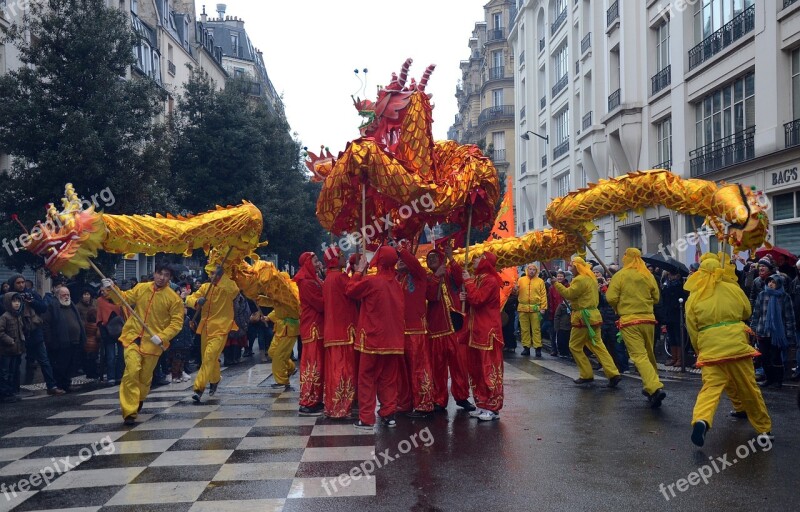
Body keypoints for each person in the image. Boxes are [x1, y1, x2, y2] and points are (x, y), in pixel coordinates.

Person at [684, 254, 772, 446]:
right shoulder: (733, 288)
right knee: (749, 388)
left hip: (710, 349)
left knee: (710, 389)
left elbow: (691, 327)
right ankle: (763, 428)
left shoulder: (694, 296)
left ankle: (702, 419)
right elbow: (746, 311)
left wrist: (697, 348)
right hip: (736, 346)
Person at [101, 262, 184, 424]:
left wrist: (162, 336)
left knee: (145, 378)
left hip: (153, 343)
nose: (162, 277)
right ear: (154, 273)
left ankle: (138, 398)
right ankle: (129, 410)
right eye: (160, 273)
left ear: (170, 278)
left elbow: (176, 323)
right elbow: (124, 299)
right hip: (133, 336)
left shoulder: (174, 299)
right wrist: (112, 289)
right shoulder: (141, 287)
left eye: (166, 275)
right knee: (132, 371)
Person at [346, 248, 405, 430]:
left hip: (372, 339)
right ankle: (389, 414)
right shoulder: (396, 284)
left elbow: (350, 290)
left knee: (366, 378)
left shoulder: (372, 281)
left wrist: (358, 271)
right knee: (388, 379)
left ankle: (366, 418)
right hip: (393, 342)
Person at [606, 248, 666, 407]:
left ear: (628, 258)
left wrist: (618, 307)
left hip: (630, 321)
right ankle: (651, 384)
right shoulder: (648, 274)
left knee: (639, 356)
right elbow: (656, 297)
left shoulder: (620, 275)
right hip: (648, 320)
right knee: (648, 354)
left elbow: (611, 297)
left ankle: (654, 388)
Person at [554, 257, 621, 387]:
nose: (570, 268)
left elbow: (569, 294)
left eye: (572, 266)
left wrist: (556, 284)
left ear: (577, 267)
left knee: (575, 346)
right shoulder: (591, 277)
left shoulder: (580, 279)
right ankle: (613, 373)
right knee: (598, 345)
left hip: (583, 318)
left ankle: (586, 374)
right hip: (594, 316)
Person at [426, 246, 473, 411]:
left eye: (434, 257)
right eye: (428, 258)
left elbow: (461, 279)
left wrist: (451, 259)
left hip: (455, 326)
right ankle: (439, 399)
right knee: (437, 367)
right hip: (437, 329)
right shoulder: (428, 278)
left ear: (441, 260)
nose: (430, 260)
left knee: (459, 365)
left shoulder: (450, 274)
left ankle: (462, 397)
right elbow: (431, 296)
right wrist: (436, 276)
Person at [185, 264, 240, 403]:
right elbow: (189, 299)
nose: (211, 276)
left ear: (221, 274)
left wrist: (223, 277)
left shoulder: (228, 287)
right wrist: (197, 301)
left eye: (214, 273)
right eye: (210, 273)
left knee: (210, 355)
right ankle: (215, 379)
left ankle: (198, 388)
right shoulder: (205, 288)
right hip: (205, 328)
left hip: (221, 328)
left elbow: (234, 291)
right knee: (209, 358)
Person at [462, 251, 504, 421]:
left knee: (488, 369)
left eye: (478, 257)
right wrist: (465, 296)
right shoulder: (478, 279)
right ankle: (481, 404)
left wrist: (468, 282)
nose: (474, 259)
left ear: (486, 262)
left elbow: (478, 299)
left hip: (487, 331)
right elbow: (473, 301)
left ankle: (492, 408)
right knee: (476, 370)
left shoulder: (491, 280)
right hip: (476, 331)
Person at [395, 241, 434, 418]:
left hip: (417, 331)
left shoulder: (419, 274)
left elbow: (412, 263)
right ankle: (404, 403)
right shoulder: (397, 278)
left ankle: (423, 405)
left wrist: (401, 250)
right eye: (398, 259)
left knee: (419, 368)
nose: (400, 261)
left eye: (404, 258)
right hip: (399, 332)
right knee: (402, 371)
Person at [7, 275, 62, 395]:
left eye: (23, 282)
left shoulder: (32, 294)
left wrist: (32, 301)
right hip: (18, 333)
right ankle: (14, 390)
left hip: (35, 331)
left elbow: (43, 308)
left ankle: (51, 386)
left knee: (44, 361)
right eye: (18, 283)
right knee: (15, 363)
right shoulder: (9, 296)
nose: (21, 285)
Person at [321, 247, 359, 418]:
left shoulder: (328, 278)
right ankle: (341, 407)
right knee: (344, 369)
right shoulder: (340, 277)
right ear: (336, 260)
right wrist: (359, 272)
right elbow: (355, 290)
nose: (344, 259)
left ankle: (332, 406)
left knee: (333, 370)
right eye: (342, 256)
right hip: (343, 331)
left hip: (332, 332)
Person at [750, 274, 795, 389]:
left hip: (777, 334)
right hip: (763, 331)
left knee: (776, 357)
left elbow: (789, 317)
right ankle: (769, 379)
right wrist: (753, 329)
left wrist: (790, 335)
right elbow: (756, 314)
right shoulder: (762, 295)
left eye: (773, 282)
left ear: (778, 283)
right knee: (764, 357)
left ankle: (778, 381)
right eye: (769, 282)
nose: (770, 284)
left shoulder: (785, 297)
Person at [294, 252, 325, 416]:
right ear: (307, 262)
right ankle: (308, 402)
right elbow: (320, 304)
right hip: (312, 327)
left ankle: (316, 399)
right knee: (312, 365)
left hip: (318, 327)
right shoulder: (306, 282)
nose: (318, 262)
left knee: (318, 365)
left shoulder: (315, 279)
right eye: (315, 260)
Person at [42, 286, 85, 393]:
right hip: (60, 342)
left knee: (71, 364)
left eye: (68, 295)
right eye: (64, 295)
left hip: (74, 341)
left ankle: (67, 384)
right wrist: (50, 341)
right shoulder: (52, 306)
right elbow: (46, 324)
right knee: (60, 365)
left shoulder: (72, 305)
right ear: (58, 296)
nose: (66, 297)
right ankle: (59, 385)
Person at [0, 293, 28, 403]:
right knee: (5, 373)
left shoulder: (18, 316)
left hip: (16, 350)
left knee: (12, 372)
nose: (17, 303)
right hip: (6, 351)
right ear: (8, 303)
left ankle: (10, 392)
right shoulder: (5, 317)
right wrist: (10, 340)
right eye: (14, 301)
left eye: (18, 301)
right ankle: (5, 394)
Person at [515, 263, 547, 358]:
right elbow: (515, 292)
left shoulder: (540, 281)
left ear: (536, 271)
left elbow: (543, 295)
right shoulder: (520, 280)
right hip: (523, 308)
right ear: (527, 270)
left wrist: (543, 307)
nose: (532, 271)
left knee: (536, 329)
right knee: (524, 329)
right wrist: (515, 289)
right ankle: (526, 347)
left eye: (533, 269)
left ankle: (538, 348)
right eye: (530, 269)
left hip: (535, 308)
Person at [96, 287, 124, 386]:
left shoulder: (117, 298)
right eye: (102, 290)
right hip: (107, 331)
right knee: (110, 356)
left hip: (120, 329)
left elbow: (123, 312)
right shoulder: (99, 301)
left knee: (121, 355)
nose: (103, 292)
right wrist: (102, 330)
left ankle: (119, 376)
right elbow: (99, 316)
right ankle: (111, 377)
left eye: (105, 290)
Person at [267, 304, 299, 391]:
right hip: (280, 329)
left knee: (279, 356)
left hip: (289, 329)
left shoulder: (291, 296)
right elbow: (279, 307)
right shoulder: (280, 295)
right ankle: (291, 368)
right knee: (272, 352)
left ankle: (282, 381)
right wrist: (269, 317)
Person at [548, 271, 568, 356]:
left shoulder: (567, 286)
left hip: (565, 312)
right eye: (558, 276)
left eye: (561, 276)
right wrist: (551, 312)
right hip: (555, 311)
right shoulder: (552, 288)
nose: (559, 278)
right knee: (553, 331)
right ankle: (554, 349)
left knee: (564, 332)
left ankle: (564, 349)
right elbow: (550, 300)